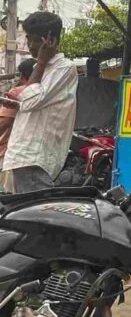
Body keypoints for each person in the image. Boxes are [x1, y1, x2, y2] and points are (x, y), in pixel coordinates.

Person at [2, 13, 78, 193]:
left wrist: (42, 61)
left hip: (35, 158)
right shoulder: (39, 68)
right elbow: (29, 103)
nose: (30, 45)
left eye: (36, 40)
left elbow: (30, 100)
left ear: (51, 40)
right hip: (22, 156)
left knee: (37, 216)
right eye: (28, 38)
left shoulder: (64, 68)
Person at [0, 58, 36, 170]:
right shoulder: (46, 92)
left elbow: (3, 123)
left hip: (10, 152)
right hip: (34, 151)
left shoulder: (17, 92)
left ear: (22, 75)